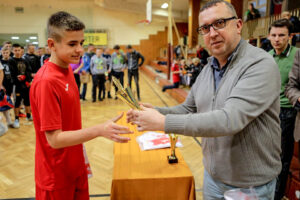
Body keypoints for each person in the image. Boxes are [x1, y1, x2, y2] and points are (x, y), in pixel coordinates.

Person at [127, 0, 281, 199]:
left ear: (239, 25)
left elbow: (229, 120)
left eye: (220, 23)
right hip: (213, 178)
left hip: (250, 185)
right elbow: (188, 109)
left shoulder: (260, 64)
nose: (212, 33)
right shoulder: (209, 68)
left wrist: (162, 122)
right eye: (205, 28)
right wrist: (155, 111)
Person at [30, 11, 132, 199]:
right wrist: (100, 130)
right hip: (56, 176)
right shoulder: (46, 81)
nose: (80, 50)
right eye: (72, 44)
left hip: (75, 166)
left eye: (81, 43)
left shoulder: (67, 70)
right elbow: (54, 139)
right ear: (52, 44)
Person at [268, 18, 299, 200]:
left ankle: (276, 195)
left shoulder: (297, 54)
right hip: (268, 111)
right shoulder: (267, 56)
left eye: (281, 35)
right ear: (269, 36)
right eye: (274, 35)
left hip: (288, 111)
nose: (277, 39)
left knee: (281, 157)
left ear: (290, 36)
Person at [9, 43, 33, 128]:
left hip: (25, 84)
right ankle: (16, 119)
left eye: (19, 50)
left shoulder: (25, 60)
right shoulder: (11, 60)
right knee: (17, 102)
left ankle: (29, 116)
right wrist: (17, 78)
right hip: (17, 85)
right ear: (12, 51)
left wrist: (27, 79)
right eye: (15, 50)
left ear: (21, 50)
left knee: (27, 100)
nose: (17, 52)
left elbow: (29, 71)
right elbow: (12, 74)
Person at [0, 47, 15, 128]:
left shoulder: (11, 61)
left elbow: (1, 72)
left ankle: (9, 122)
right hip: (3, 84)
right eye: (3, 52)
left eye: (7, 52)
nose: (5, 54)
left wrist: (0, 84)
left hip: (6, 84)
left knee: (5, 102)